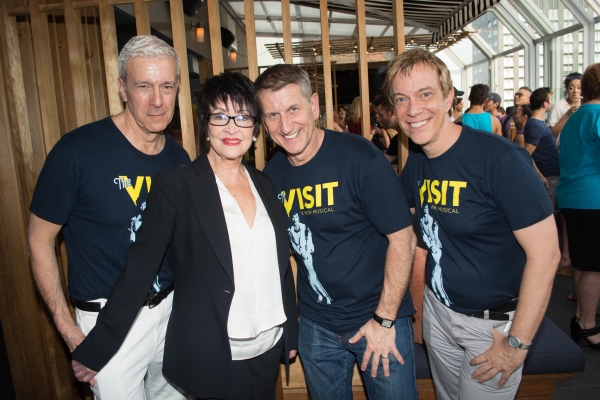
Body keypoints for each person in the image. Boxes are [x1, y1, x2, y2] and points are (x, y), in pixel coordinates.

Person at [70, 72, 299, 399]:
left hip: (267, 346)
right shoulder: (176, 186)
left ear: (255, 127)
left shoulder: (264, 183)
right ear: (205, 126)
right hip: (215, 350)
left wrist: (290, 331)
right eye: (220, 116)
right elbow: (139, 271)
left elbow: (278, 266)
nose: (232, 127)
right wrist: (97, 349)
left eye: (243, 116)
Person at [385, 48, 559, 399]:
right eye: (401, 99)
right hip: (439, 312)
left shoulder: (501, 160)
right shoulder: (417, 161)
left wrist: (517, 343)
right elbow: (415, 237)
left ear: (449, 98)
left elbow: (547, 255)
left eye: (425, 94)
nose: (413, 110)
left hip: (491, 327)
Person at [27, 35, 190, 399]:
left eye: (166, 86)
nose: (157, 101)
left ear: (178, 87)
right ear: (122, 88)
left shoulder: (178, 160)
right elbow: (39, 239)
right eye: (143, 86)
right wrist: (68, 330)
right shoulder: (77, 152)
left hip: (171, 314)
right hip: (106, 324)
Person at [255, 64, 418, 400]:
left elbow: (403, 239)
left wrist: (384, 321)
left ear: (314, 106)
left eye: (293, 109)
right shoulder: (272, 176)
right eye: (272, 115)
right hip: (316, 327)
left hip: (379, 319)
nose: (285, 125)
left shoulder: (360, 158)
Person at [557, 63, 600, 351]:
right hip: (592, 198)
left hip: (574, 197)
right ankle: (587, 325)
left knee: (585, 265)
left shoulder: (576, 116)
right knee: (594, 268)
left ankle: (579, 318)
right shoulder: (597, 114)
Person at [524, 87, 560, 207]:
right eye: (550, 100)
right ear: (545, 103)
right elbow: (526, 153)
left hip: (550, 174)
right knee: (549, 213)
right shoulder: (536, 126)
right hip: (548, 176)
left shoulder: (536, 124)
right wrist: (540, 175)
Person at [548, 72, 582, 140]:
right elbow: (552, 133)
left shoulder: (585, 105)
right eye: (571, 88)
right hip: (561, 148)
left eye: (579, 88)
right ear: (566, 89)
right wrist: (567, 114)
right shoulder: (558, 106)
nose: (575, 91)